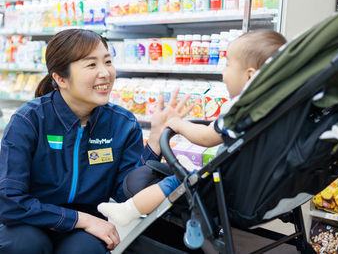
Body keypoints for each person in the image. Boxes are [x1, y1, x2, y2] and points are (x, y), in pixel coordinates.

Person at [0, 29, 190, 254]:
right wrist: (82, 219)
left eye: (108, 61)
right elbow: (9, 201)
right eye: (91, 65)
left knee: (84, 250)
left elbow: (126, 195)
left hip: (85, 229)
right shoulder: (30, 120)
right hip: (31, 220)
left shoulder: (122, 123)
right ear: (61, 78)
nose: (105, 73)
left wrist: (156, 143)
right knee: (26, 244)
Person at [97, 30, 287, 227]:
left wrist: (178, 124)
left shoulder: (243, 109)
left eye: (228, 64)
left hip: (229, 188)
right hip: (262, 190)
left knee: (175, 182)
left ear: (250, 77)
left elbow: (206, 137)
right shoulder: (280, 109)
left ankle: (128, 210)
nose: (223, 73)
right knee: (188, 172)